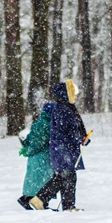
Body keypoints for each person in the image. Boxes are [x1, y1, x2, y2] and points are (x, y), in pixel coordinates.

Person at [29, 80, 89, 212]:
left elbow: (72, 130)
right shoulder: (62, 109)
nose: (76, 96)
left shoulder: (67, 108)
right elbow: (63, 132)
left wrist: (82, 138)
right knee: (66, 176)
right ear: (66, 94)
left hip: (66, 149)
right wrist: (78, 138)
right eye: (74, 93)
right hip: (63, 150)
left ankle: (63, 205)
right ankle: (42, 199)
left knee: (66, 176)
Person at [17, 110, 55, 210]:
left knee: (35, 179)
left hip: (38, 157)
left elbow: (31, 137)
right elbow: (39, 142)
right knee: (41, 180)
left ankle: (34, 200)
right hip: (40, 156)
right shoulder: (46, 124)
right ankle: (29, 200)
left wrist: (26, 145)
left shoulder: (41, 121)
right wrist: (29, 150)